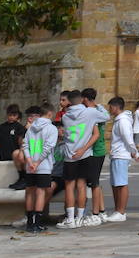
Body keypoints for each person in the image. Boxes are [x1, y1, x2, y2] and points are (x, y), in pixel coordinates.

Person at [59, 89, 100, 229]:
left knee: (69, 187)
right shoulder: (90, 113)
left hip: (70, 154)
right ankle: (80, 217)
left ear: (69, 101)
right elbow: (104, 116)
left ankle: (70, 219)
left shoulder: (65, 117)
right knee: (81, 186)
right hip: (84, 153)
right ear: (82, 99)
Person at [21, 104, 58, 234]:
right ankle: (37, 222)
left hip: (30, 165)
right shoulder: (51, 128)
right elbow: (48, 148)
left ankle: (29, 222)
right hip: (43, 165)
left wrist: (30, 161)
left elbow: (25, 145)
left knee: (30, 191)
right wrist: (38, 162)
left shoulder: (31, 128)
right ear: (50, 114)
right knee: (40, 192)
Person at [105, 97, 139, 222]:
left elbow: (127, 138)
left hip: (121, 155)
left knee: (121, 184)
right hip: (116, 154)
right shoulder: (119, 120)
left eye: (110, 107)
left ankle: (121, 211)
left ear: (115, 107)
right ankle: (117, 210)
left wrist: (134, 152)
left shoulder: (123, 121)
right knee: (115, 184)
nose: (109, 110)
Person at [81, 88, 111, 226]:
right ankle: (102, 211)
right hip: (99, 150)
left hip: (94, 150)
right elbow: (107, 116)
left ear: (85, 99)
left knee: (94, 183)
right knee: (96, 182)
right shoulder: (101, 110)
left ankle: (95, 214)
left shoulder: (91, 113)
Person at [0, 105, 26, 190]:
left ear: (17, 116)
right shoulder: (0, 127)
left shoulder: (20, 128)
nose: (11, 117)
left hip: (14, 156)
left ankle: (22, 178)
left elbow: (22, 143)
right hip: (3, 155)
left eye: (14, 115)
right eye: (10, 115)